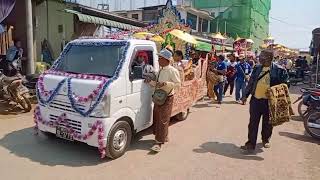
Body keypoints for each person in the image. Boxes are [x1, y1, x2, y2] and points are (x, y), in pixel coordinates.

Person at [240, 49, 289, 152]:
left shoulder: (279, 69)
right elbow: (251, 82)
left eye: (262, 56)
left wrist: (275, 90)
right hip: (256, 100)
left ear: (269, 58)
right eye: (260, 56)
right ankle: (250, 144)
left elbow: (286, 84)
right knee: (253, 123)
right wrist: (245, 95)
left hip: (269, 102)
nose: (259, 58)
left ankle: (265, 139)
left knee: (268, 123)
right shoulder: (257, 68)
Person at [145, 49, 181, 152]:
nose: (158, 60)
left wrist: (166, 84)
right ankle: (163, 136)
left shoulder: (172, 70)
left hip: (167, 97)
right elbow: (157, 83)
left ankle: (159, 143)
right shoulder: (160, 70)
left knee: (163, 119)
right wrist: (149, 81)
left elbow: (178, 84)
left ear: (166, 59)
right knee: (157, 117)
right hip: (158, 97)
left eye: (160, 58)